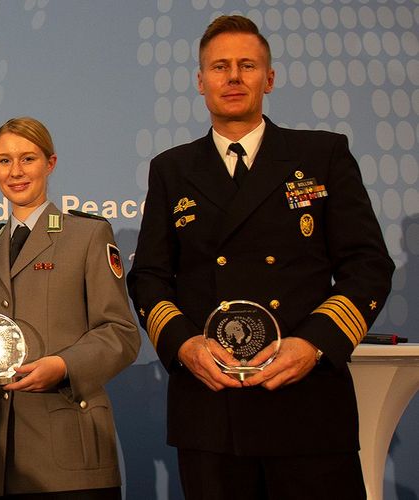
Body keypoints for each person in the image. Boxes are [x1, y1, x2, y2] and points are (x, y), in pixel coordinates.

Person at [127, 15, 394, 500]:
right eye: (220, 66)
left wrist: (313, 346)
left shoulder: (321, 155)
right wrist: (186, 347)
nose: (233, 77)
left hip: (307, 404)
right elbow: (148, 277)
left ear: (268, 78)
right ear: (200, 81)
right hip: (210, 409)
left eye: (247, 65)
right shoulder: (171, 169)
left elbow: (367, 265)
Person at [0, 117, 141, 499]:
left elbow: (120, 332)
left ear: (50, 163)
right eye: (4, 161)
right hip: (2, 456)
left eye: (28, 159)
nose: (16, 172)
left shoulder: (87, 235)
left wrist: (65, 366)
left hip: (72, 451)